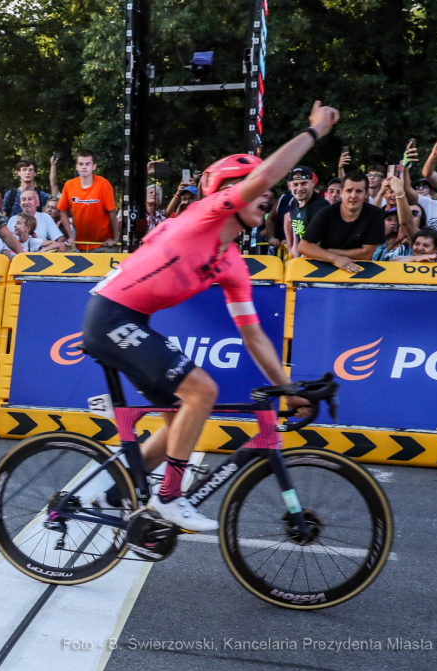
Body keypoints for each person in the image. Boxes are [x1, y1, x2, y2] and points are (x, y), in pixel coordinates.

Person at [83, 102, 335, 531]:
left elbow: (254, 336)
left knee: (179, 424)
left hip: (134, 322)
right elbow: (266, 177)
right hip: (109, 317)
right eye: (256, 190)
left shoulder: (232, 263)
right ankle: (169, 497)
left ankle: (110, 495)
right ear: (228, 194)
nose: (266, 197)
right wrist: (314, 132)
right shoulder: (204, 214)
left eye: (266, 194)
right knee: (203, 391)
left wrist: (288, 389)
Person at [298, 172, 384, 273]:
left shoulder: (375, 214)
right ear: (341, 192)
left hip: (360, 270)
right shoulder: (326, 213)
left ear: (366, 194)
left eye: (359, 191)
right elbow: (303, 246)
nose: (353, 195)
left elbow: (366, 254)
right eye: (349, 190)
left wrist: (328, 252)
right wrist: (335, 258)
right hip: (326, 267)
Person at [58, 150, 119, 251]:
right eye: (81, 164)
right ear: (76, 166)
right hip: (81, 244)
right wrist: (70, 236)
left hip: (104, 244)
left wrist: (115, 238)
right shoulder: (69, 185)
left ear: (94, 166)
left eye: (88, 164)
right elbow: (62, 211)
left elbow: (112, 212)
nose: (84, 167)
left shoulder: (104, 184)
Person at [282, 166, 329, 257]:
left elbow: (318, 243)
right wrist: (294, 259)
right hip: (305, 257)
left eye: (303, 183)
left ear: (312, 183)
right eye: (295, 184)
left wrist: (299, 262)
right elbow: (297, 236)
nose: (299, 188)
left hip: (322, 258)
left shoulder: (320, 206)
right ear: (289, 186)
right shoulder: (294, 203)